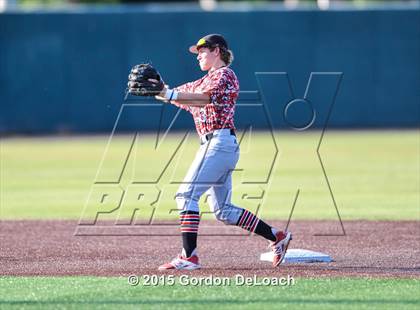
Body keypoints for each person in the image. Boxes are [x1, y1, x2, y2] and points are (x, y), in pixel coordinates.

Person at [154, 34, 292, 270]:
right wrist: (157, 88)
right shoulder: (201, 81)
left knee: (186, 195)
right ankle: (276, 236)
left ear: (216, 50)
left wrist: (170, 94)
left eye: (202, 51)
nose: (198, 56)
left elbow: (204, 99)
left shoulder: (225, 75)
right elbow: (175, 95)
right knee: (223, 210)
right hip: (218, 146)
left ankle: (189, 256)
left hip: (218, 143)